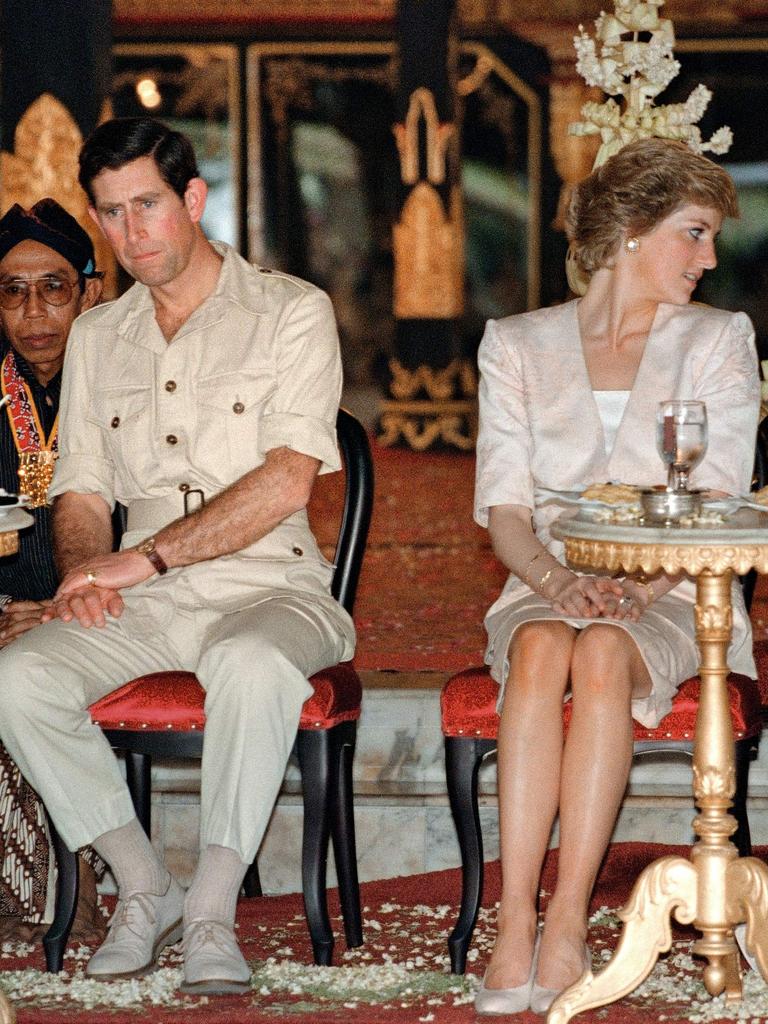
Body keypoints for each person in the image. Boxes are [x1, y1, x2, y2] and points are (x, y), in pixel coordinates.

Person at [0, 117, 354, 994]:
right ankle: (145, 883)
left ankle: (211, 909)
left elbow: (285, 482)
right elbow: (79, 492)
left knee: (249, 659)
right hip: (142, 598)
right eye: (112, 215)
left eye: (148, 206)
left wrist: (143, 560)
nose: (132, 233)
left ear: (193, 200)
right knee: (18, 677)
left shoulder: (291, 310)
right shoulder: (98, 334)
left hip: (272, 579)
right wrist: (84, 573)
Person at [472, 138, 761, 1016]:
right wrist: (558, 584)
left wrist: (640, 588)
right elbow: (506, 512)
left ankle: (567, 919)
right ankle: (513, 918)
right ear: (633, 230)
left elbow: (718, 501)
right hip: (542, 580)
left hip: (681, 588)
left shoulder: (717, 339)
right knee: (543, 644)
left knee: (600, 648)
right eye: (695, 233)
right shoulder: (516, 344)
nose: (709, 259)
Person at [0, 199, 105, 945]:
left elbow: (159, 531)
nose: (33, 311)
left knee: (26, 663)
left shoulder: (128, 386)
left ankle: (57, 893)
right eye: (11, 290)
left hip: (111, 603)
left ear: (91, 292)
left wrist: (60, 602)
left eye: (54, 287)